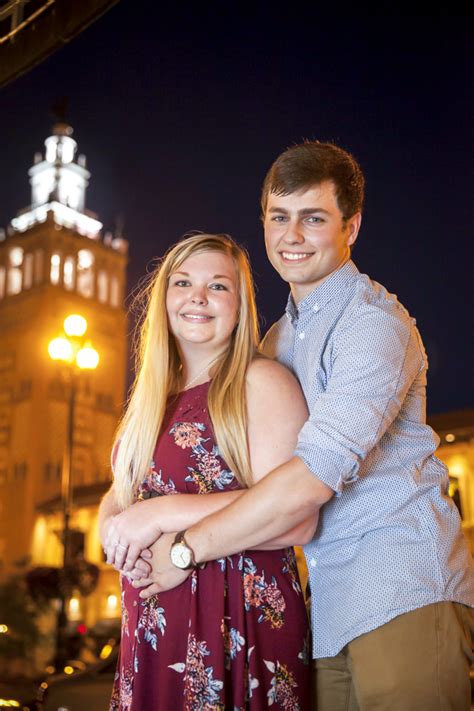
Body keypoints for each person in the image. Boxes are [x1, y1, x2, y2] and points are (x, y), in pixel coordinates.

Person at [107, 142, 474, 711]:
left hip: (400, 581)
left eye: (314, 218)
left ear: (351, 226)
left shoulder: (371, 325)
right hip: (326, 605)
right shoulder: (277, 341)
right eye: (280, 217)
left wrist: (180, 548)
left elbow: (308, 482)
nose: (292, 235)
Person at [99, 233, 314, 710]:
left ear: (240, 306)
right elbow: (121, 493)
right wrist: (112, 530)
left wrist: (161, 515)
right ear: (164, 299)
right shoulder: (150, 401)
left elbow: (296, 515)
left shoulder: (262, 382)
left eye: (218, 286)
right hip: (151, 626)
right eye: (183, 282)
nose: (197, 296)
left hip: (236, 617)